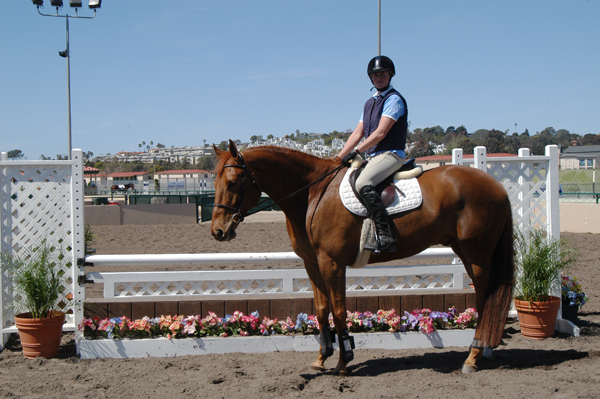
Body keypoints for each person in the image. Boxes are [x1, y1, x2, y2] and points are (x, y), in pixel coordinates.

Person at [337, 55, 408, 253]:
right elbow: (358, 132)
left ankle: (385, 236)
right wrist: (339, 156)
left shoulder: (394, 99)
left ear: (390, 75)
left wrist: (356, 151)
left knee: (362, 183)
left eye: (383, 74)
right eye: (375, 75)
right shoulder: (369, 103)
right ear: (370, 78)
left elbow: (380, 133)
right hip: (373, 156)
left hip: (391, 154)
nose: (379, 78)